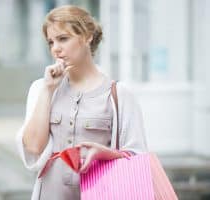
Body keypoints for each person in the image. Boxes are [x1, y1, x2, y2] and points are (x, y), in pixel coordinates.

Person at [16, 5, 148, 200]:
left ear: (87, 36)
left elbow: (138, 158)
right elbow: (33, 148)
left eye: (63, 38)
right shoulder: (41, 88)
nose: (56, 49)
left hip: (102, 193)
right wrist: (48, 90)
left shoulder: (119, 94)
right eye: (51, 42)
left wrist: (103, 153)